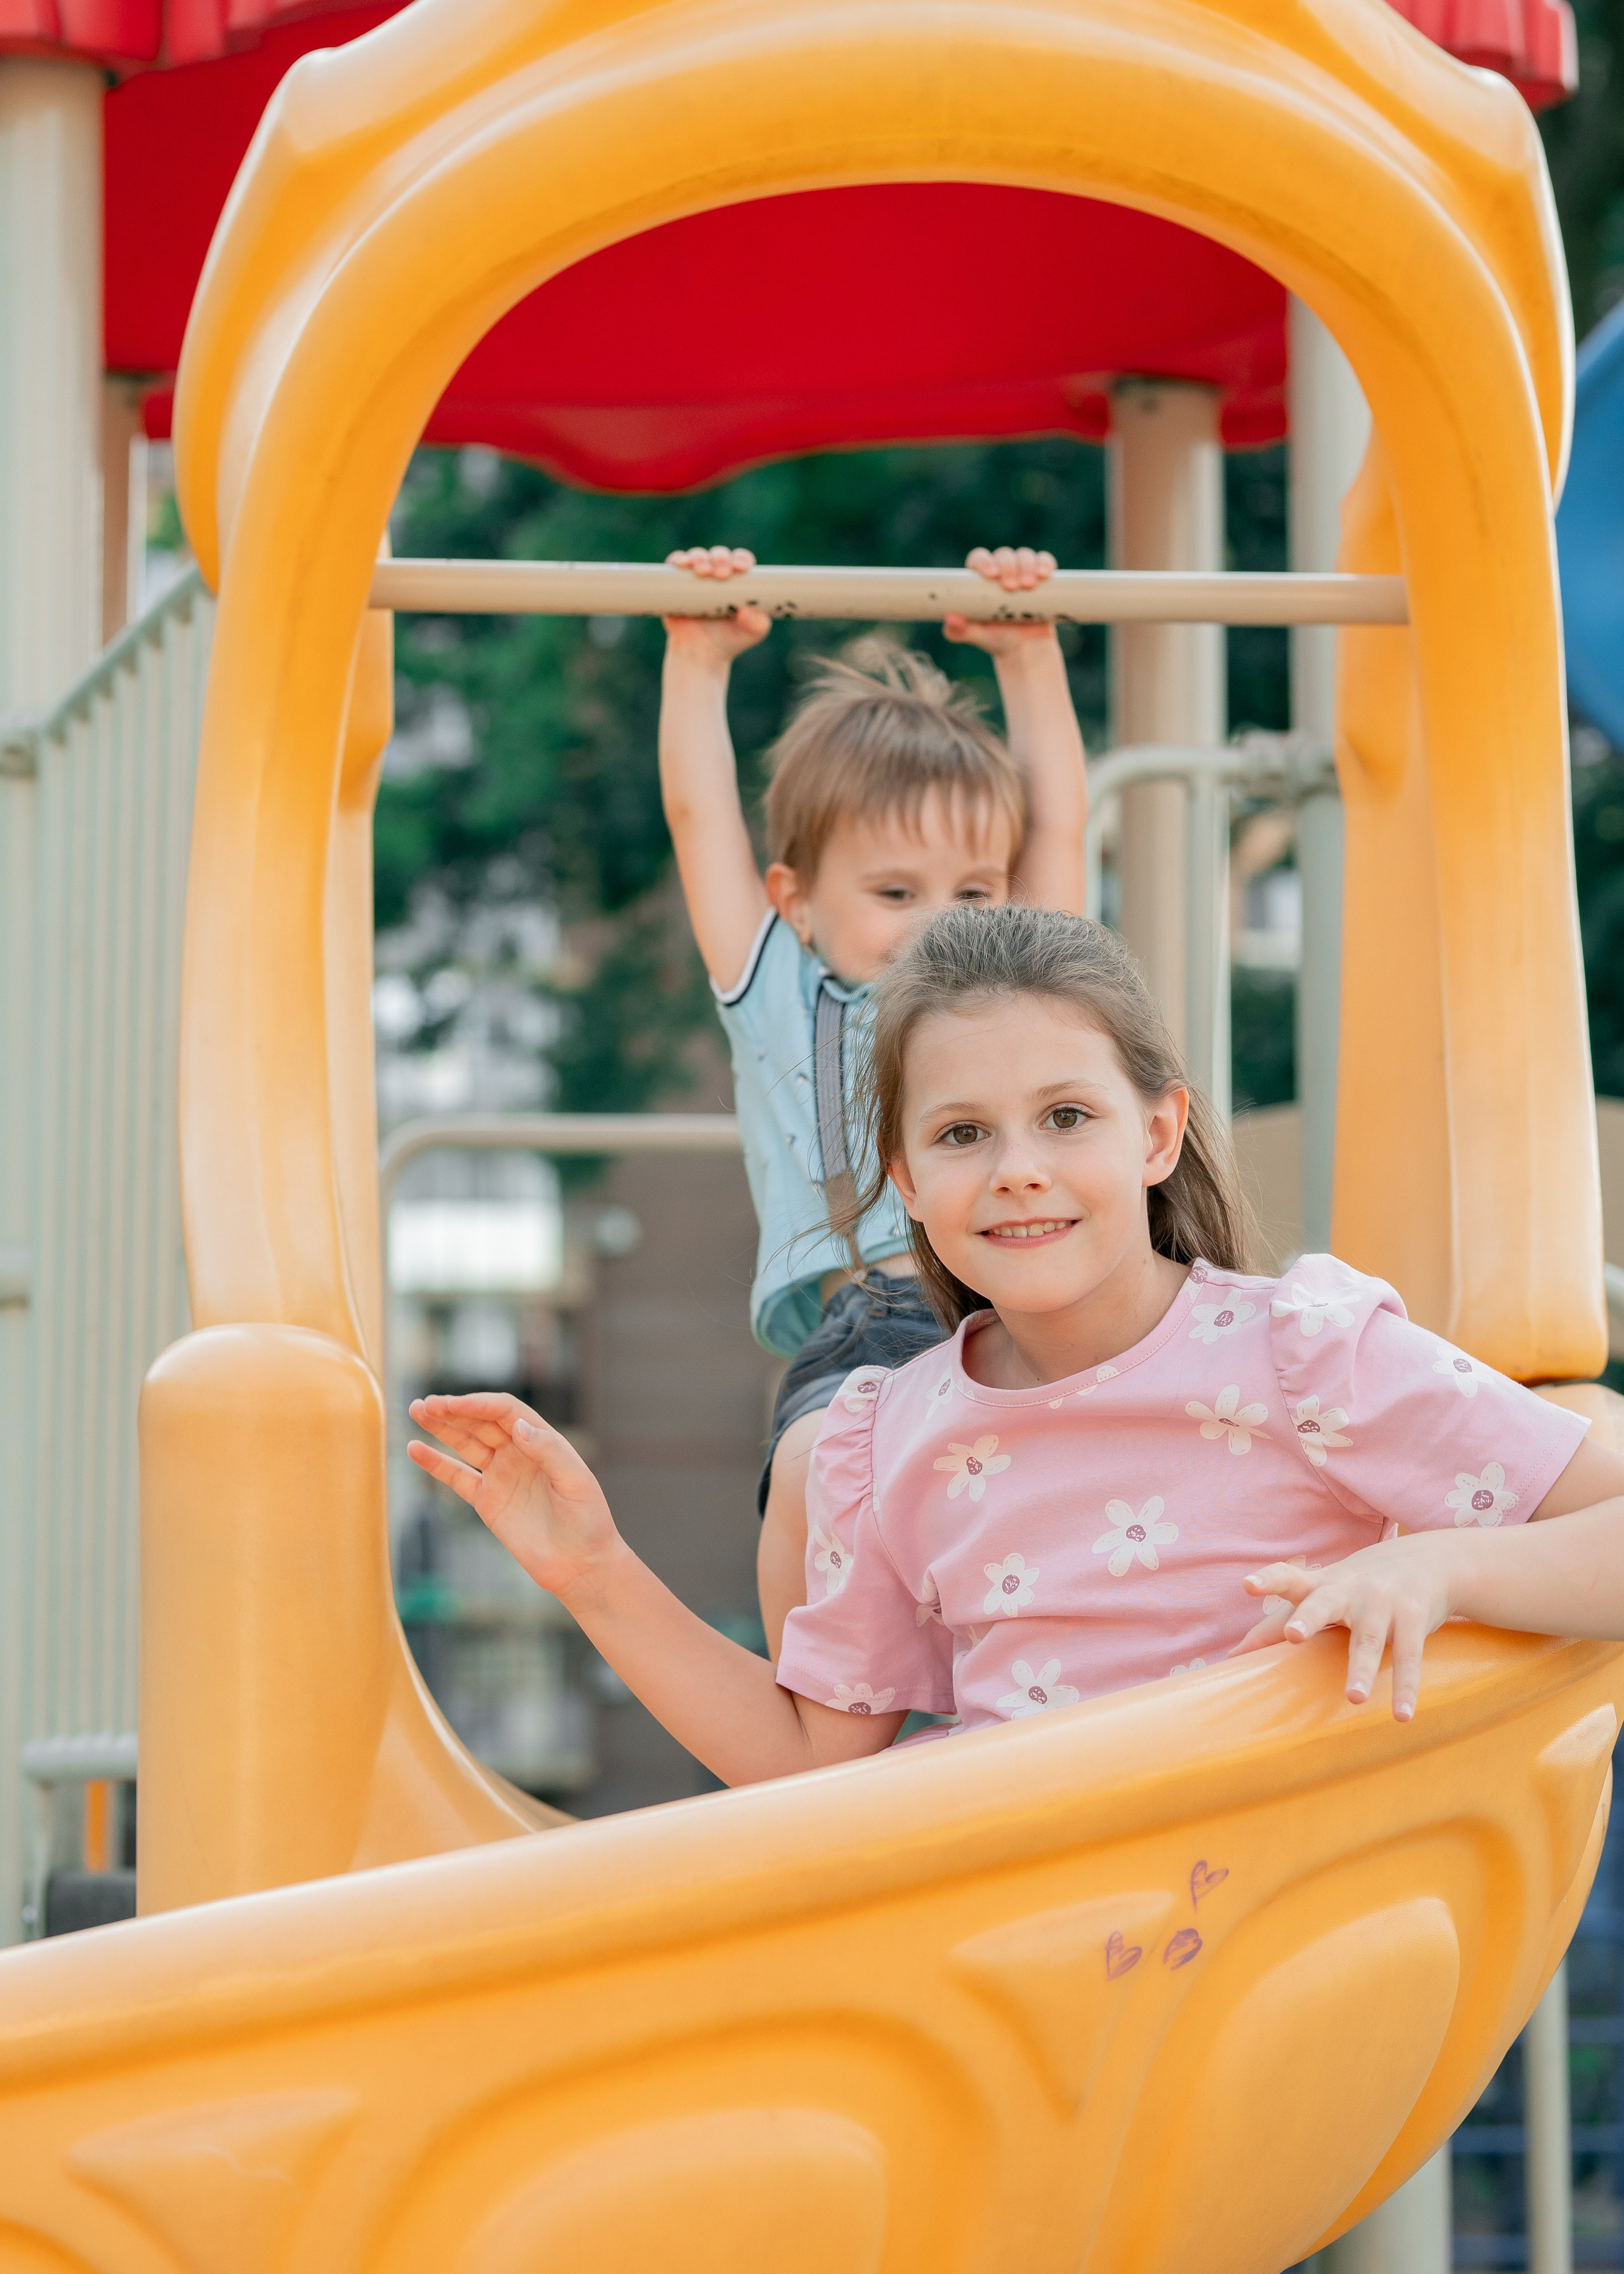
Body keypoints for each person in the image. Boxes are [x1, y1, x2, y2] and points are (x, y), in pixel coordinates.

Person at [409, 904, 1624, 1780]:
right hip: (1022, 1949)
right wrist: (594, 1572)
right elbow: (805, 1764)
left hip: (1266, 1938)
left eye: (1066, 1117)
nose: (1019, 1171)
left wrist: (1436, 1569)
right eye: (961, 1134)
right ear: (907, 1182)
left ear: (1157, 1136)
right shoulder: (888, 1439)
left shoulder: (1302, 1354)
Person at [655, 542, 1089, 1655]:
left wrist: (1029, 659)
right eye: (896, 892)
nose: (939, 919)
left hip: (1011, 1322)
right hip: (868, 1327)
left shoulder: (1012, 984)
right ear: (796, 904)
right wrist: (697, 664)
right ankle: (805, 1719)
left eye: (971, 890)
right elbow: (705, 827)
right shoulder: (785, 995)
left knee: (1042, 1532)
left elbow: (1060, 835)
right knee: (808, 1479)